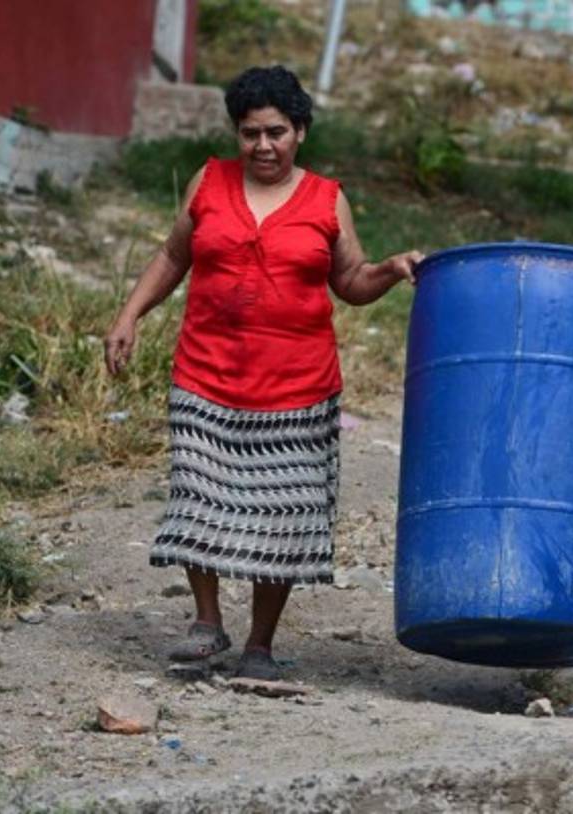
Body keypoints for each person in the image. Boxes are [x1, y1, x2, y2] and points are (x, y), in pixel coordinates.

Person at [104, 66, 422, 681]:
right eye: (250, 133)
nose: (263, 146)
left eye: (276, 131)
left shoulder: (327, 198)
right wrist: (129, 314)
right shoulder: (209, 181)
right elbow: (175, 254)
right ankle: (206, 623)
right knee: (198, 497)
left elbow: (351, 281)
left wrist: (389, 269)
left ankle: (260, 646)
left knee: (282, 516)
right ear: (236, 134)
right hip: (206, 374)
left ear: (300, 131)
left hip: (298, 389)